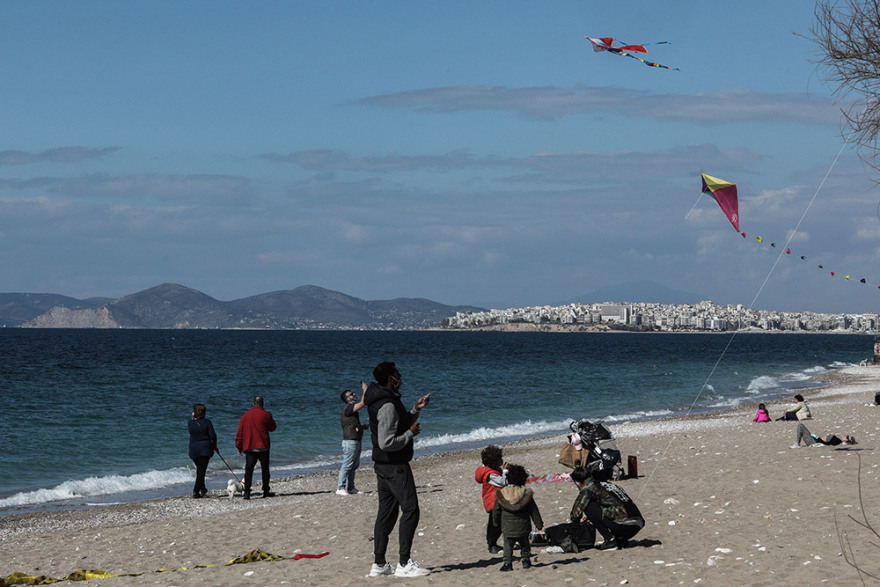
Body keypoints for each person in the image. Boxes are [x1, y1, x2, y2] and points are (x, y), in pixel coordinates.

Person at [364, 361, 432, 578]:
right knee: (411, 509)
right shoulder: (387, 405)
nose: (400, 377)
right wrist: (410, 434)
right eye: (397, 374)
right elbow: (386, 441)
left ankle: (380, 564)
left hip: (383, 465)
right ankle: (404, 563)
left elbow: (398, 423)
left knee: (386, 514)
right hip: (394, 466)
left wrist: (415, 409)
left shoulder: (384, 399)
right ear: (390, 379)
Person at [570, 466, 645, 551]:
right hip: (637, 524)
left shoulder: (589, 488)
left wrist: (575, 524)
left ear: (577, 483)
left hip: (623, 524)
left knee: (588, 506)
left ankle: (610, 540)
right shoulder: (608, 484)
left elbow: (575, 514)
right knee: (600, 509)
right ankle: (620, 539)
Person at [491, 464, 543, 572]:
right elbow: (534, 511)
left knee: (508, 546)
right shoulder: (526, 494)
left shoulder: (502, 495)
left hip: (507, 527)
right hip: (523, 526)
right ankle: (526, 560)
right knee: (525, 544)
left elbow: (496, 511)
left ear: (508, 479)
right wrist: (539, 525)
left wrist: (495, 523)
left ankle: (507, 563)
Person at [235, 396, 277, 500]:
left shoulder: (245, 415)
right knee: (265, 469)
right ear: (262, 404)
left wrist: (239, 445)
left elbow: (240, 432)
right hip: (263, 446)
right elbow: (273, 428)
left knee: (249, 470)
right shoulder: (266, 415)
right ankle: (266, 490)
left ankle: (247, 492)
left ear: (253, 404)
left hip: (249, 446)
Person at [475, 445, 509, 554]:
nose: (502, 460)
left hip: (497, 500)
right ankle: (492, 544)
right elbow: (503, 482)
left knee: (498, 522)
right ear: (494, 462)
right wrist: (505, 472)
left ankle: (495, 542)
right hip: (493, 501)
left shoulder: (493, 470)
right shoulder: (490, 474)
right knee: (495, 524)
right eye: (500, 458)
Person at [337, 383, 369, 496]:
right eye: (351, 394)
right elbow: (363, 403)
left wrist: (362, 428)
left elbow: (351, 426)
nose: (354, 394)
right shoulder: (349, 408)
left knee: (354, 465)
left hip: (355, 439)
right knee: (347, 464)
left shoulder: (351, 410)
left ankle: (351, 487)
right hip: (350, 441)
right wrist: (365, 390)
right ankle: (340, 487)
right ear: (347, 398)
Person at [188, 403, 218, 499]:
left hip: (193, 450)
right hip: (205, 449)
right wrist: (214, 446)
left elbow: (193, 430)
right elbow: (213, 436)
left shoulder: (190, 423)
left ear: (194, 413)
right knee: (201, 472)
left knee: (200, 470)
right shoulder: (207, 422)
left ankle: (203, 488)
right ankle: (196, 491)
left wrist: (193, 418)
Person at [791, 422, 857, 448]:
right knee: (803, 429)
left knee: (800, 425)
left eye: (847, 437)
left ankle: (797, 443)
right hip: (815, 441)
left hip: (813, 442)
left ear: (846, 440)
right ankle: (797, 443)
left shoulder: (835, 439)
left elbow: (822, 440)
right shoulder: (837, 441)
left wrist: (815, 436)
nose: (846, 436)